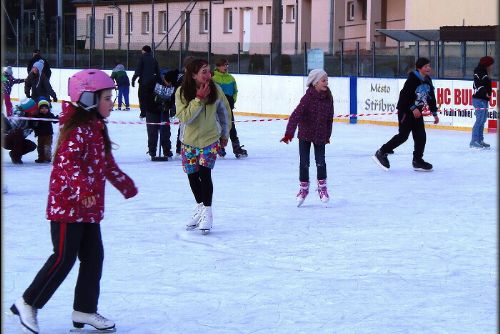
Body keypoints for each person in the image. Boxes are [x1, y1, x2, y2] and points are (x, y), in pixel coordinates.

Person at [10, 69, 138, 334]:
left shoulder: (95, 126)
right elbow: (67, 164)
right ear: (89, 98)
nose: (111, 102)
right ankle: (27, 302)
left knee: (94, 257)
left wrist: (122, 182)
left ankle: (85, 309)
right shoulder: (77, 128)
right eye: (106, 97)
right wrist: (83, 191)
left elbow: (105, 163)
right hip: (67, 207)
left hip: (88, 208)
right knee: (63, 258)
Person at [175, 58, 232, 234]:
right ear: (193, 75)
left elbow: (225, 112)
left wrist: (225, 134)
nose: (208, 75)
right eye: (204, 72)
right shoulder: (182, 92)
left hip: (209, 140)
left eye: (209, 71)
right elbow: (184, 118)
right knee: (192, 176)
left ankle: (207, 211)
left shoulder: (216, 89)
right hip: (189, 141)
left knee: (205, 175)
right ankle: (200, 207)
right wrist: (198, 99)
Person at [372, 57, 439, 172]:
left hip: (417, 113)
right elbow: (403, 97)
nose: (428, 68)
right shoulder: (412, 79)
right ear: (419, 68)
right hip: (406, 112)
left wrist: (434, 112)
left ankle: (417, 160)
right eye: (426, 66)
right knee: (403, 136)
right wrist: (413, 108)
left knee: (421, 136)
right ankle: (382, 152)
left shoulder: (427, 80)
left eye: (429, 66)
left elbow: (431, 97)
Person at [280, 69, 334, 206]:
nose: (326, 82)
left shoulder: (328, 97)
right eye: (323, 80)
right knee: (304, 162)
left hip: (320, 134)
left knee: (321, 162)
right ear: (315, 82)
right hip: (305, 134)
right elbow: (296, 115)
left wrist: (328, 134)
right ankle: (303, 189)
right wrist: (289, 133)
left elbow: (329, 118)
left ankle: (322, 188)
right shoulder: (308, 98)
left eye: (327, 80)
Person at [212, 58, 248, 158]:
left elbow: (235, 91)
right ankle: (220, 148)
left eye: (227, 65)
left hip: (228, 109)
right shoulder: (213, 78)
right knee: (218, 128)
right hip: (216, 109)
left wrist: (232, 101)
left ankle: (236, 148)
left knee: (231, 128)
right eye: (224, 65)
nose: (226, 67)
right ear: (218, 67)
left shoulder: (231, 78)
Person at [149, 70, 177, 160]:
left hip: (163, 111)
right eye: (169, 83)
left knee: (165, 131)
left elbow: (173, 99)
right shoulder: (154, 81)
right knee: (152, 132)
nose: (170, 85)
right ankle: (152, 151)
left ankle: (167, 151)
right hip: (151, 110)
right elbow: (146, 96)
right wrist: (155, 105)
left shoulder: (173, 85)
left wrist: (168, 106)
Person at [2, 98, 38, 164]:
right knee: (18, 133)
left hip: (16, 140)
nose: (36, 111)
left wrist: (31, 126)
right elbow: (11, 127)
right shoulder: (18, 115)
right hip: (5, 139)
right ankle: (16, 158)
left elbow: (24, 135)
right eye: (34, 109)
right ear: (29, 110)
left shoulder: (32, 118)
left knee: (32, 146)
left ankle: (13, 154)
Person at [470, 56, 494, 149]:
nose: (491, 66)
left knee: (483, 120)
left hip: (484, 99)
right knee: (479, 120)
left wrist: (487, 94)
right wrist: (486, 93)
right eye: (490, 64)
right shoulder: (479, 71)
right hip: (479, 99)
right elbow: (477, 84)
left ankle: (480, 140)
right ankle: (474, 141)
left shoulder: (485, 72)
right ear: (487, 64)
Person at [174, 56, 195, 157]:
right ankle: (180, 148)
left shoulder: (196, 78)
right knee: (183, 128)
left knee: (186, 128)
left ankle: (181, 148)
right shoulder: (182, 78)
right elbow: (177, 93)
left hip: (193, 107)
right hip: (185, 108)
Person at [131, 45, 160, 119]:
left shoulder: (142, 58)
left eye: (142, 50)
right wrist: (158, 81)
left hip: (144, 82)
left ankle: (143, 113)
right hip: (152, 83)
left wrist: (134, 79)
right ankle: (150, 112)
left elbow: (138, 69)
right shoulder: (153, 59)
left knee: (142, 97)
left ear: (144, 51)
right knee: (150, 97)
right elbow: (158, 71)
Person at [32, 97, 58, 163]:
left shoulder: (50, 115)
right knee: (40, 147)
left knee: (47, 147)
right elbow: (33, 122)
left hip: (48, 134)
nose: (44, 110)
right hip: (40, 134)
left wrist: (57, 118)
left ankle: (48, 157)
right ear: (39, 109)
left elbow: (54, 120)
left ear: (48, 109)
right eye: (42, 108)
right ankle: (41, 158)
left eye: (46, 108)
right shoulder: (37, 115)